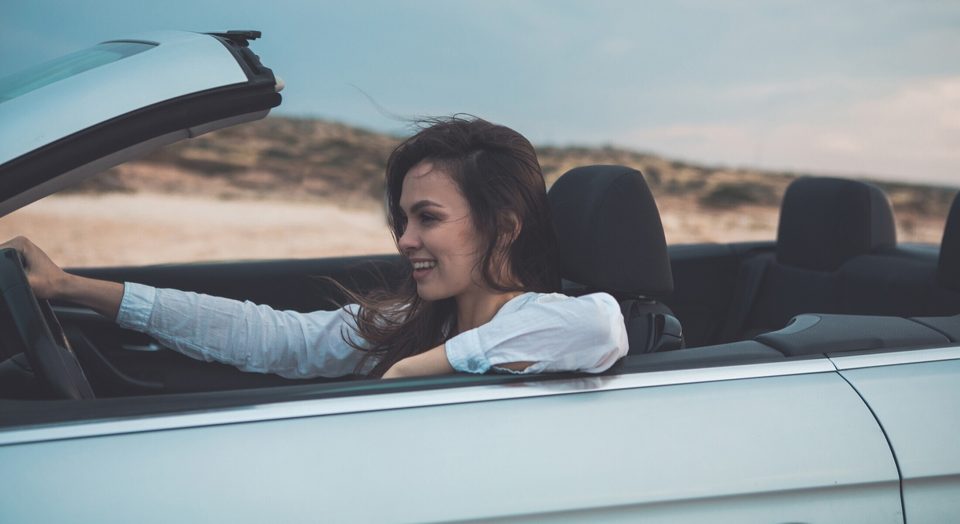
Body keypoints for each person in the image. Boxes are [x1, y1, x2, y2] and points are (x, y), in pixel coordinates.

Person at [3, 116, 628, 380]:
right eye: (403, 219)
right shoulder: (404, 325)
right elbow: (270, 337)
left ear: (504, 227)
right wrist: (70, 287)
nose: (406, 239)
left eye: (428, 218)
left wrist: (416, 371)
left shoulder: (534, 323)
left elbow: (599, 327)